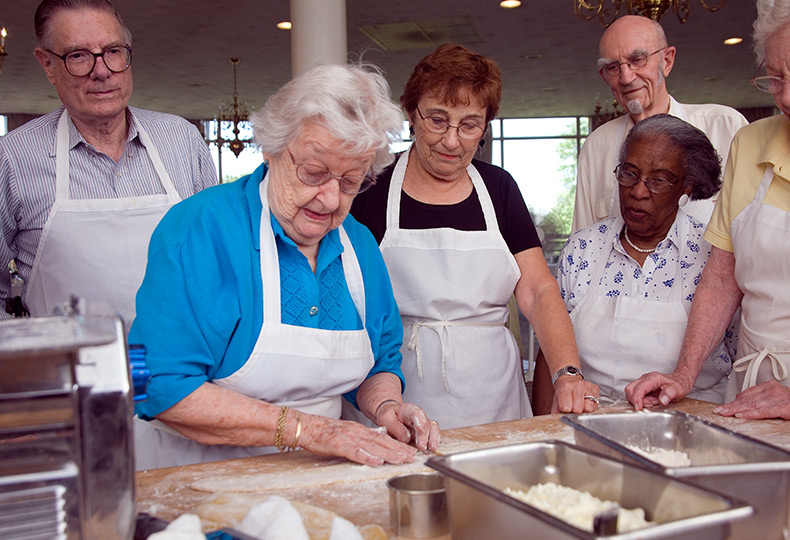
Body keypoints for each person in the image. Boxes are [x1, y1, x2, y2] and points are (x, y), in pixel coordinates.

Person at [130, 62, 441, 470]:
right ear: (272, 149)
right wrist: (313, 431)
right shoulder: (201, 230)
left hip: (317, 477)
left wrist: (386, 406)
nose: (330, 200)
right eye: (314, 173)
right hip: (196, 479)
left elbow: (379, 362)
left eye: (350, 182)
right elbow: (162, 386)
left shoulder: (359, 245)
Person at [350, 44, 599, 429]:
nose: (452, 141)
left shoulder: (499, 189)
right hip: (393, 394)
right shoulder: (371, 189)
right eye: (437, 120)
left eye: (469, 126)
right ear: (411, 115)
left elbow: (537, 290)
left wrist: (567, 373)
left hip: (491, 397)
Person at [0, 0, 217, 327]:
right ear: (47, 65)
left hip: (183, 373)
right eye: (78, 56)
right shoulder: (14, 158)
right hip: (67, 374)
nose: (101, 71)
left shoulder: (182, 140)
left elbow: (217, 260)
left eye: (113, 51)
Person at [627, 0, 790, 420]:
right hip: (750, 391)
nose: (785, 96)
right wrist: (684, 374)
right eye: (775, 78)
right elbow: (721, 277)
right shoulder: (751, 144)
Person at [531, 115, 735, 414]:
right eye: (629, 174)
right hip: (592, 427)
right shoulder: (584, 249)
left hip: (692, 427)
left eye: (658, 180)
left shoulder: (711, 257)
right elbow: (551, 354)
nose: (638, 191)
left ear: (687, 185)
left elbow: (738, 353)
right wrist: (543, 435)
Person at [572, 14, 747, 232]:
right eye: (613, 67)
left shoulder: (727, 127)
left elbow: (753, 234)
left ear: (667, 61)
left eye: (637, 60)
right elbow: (583, 245)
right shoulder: (596, 146)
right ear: (604, 76)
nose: (626, 77)